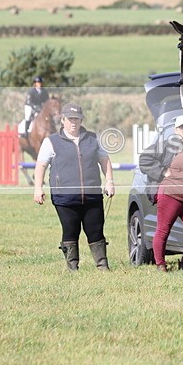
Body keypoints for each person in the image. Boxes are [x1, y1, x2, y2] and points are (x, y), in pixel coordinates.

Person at [33, 103, 114, 271]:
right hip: (64, 197)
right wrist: (38, 188)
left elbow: (105, 161)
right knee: (71, 230)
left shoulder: (93, 139)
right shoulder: (51, 141)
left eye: (76, 119)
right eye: (70, 119)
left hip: (92, 195)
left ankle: (102, 266)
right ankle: (72, 268)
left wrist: (109, 182)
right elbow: (41, 165)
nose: (73, 122)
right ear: (62, 120)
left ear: (81, 120)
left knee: (96, 230)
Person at [138, 115, 183, 272]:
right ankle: (160, 264)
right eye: (182, 127)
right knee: (163, 230)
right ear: (176, 130)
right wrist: (162, 172)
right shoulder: (165, 145)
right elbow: (144, 160)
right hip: (170, 194)